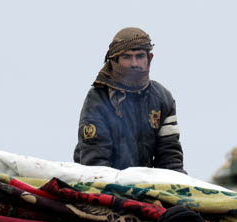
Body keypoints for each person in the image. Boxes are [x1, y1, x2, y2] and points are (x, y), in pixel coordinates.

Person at [73, 27, 184, 172]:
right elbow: (95, 162)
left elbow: (170, 158)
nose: (134, 63)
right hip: (101, 184)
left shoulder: (162, 98)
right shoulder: (98, 99)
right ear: (115, 61)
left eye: (139, 56)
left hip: (143, 186)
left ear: (149, 59)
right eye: (126, 57)